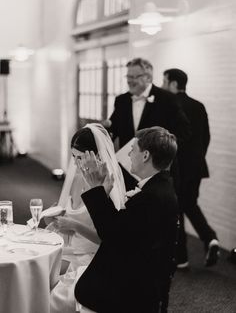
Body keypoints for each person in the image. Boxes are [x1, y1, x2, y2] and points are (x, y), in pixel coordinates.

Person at [75, 126, 179, 313]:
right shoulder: (161, 187)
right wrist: (104, 195)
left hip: (131, 287)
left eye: (133, 149)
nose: (129, 154)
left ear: (145, 155)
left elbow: (111, 235)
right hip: (140, 274)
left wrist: (96, 190)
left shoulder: (150, 197)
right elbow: (126, 230)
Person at [49, 123, 126, 313]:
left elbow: (110, 240)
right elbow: (67, 216)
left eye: (80, 157)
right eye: (73, 157)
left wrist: (74, 225)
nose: (75, 164)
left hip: (93, 259)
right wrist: (57, 221)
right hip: (72, 251)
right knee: (37, 279)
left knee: (52, 300)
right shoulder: (75, 178)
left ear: (96, 155)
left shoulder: (108, 185)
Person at [104, 57, 191, 191]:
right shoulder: (122, 100)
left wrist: (159, 150)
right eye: (128, 76)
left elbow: (183, 133)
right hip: (128, 172)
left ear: (149, 78)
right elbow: (112, 130)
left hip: (156, 174)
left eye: (135, 76)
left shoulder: (168, 99)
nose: (130, 81)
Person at [162, 68, 219, 268]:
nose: (162, 85)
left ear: (173, 83)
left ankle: (182, 258)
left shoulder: (169, 105)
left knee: (177, 208)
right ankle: (210, 238)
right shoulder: (199, 106)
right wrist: (198, 158)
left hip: (177, 167)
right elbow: (207, 136)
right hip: (196, 166)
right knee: (190, 204)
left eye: (164, 81)